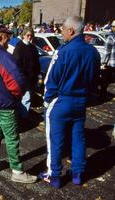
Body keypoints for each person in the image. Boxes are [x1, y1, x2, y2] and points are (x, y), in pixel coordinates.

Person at [39, 16, 100, 188]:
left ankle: (54, 175)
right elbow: (95, 79)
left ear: (71, 31)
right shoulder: (92, 52)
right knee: (78, 138)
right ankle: (78, 174)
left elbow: (51, 79)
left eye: (63, 28)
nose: (61, 31)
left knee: (55, 140)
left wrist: (47, 100)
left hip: (61, 101)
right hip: (80, 102)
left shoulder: (63, 51)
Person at [0, 25, 37, 184]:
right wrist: (16, 97)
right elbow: (17, 83)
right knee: (11, 138)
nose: (9, 41)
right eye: (7, 38)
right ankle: (17, 171)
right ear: (0, 37)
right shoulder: (4, 57)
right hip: (5, 105)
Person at [13, 27, 40, 119]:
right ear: (23, 35)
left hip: (31, 79)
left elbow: (37, 64)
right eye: (28, 35)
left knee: (26, 99)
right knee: (25, 98)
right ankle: (23, 118)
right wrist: (22, 79)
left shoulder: (33, 48)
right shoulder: (19, 47)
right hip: (22, 79)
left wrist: (36, 76)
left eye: (31, 36)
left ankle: (22, 117)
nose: (30, 37)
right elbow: (16, 65)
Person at [100, 20, 115, 98]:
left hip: (111, 63)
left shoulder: (111, 37)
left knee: (104, 80)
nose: (112, 28)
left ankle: (102, 95)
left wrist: (103, 62)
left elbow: (107, 52)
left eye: (113, 26)